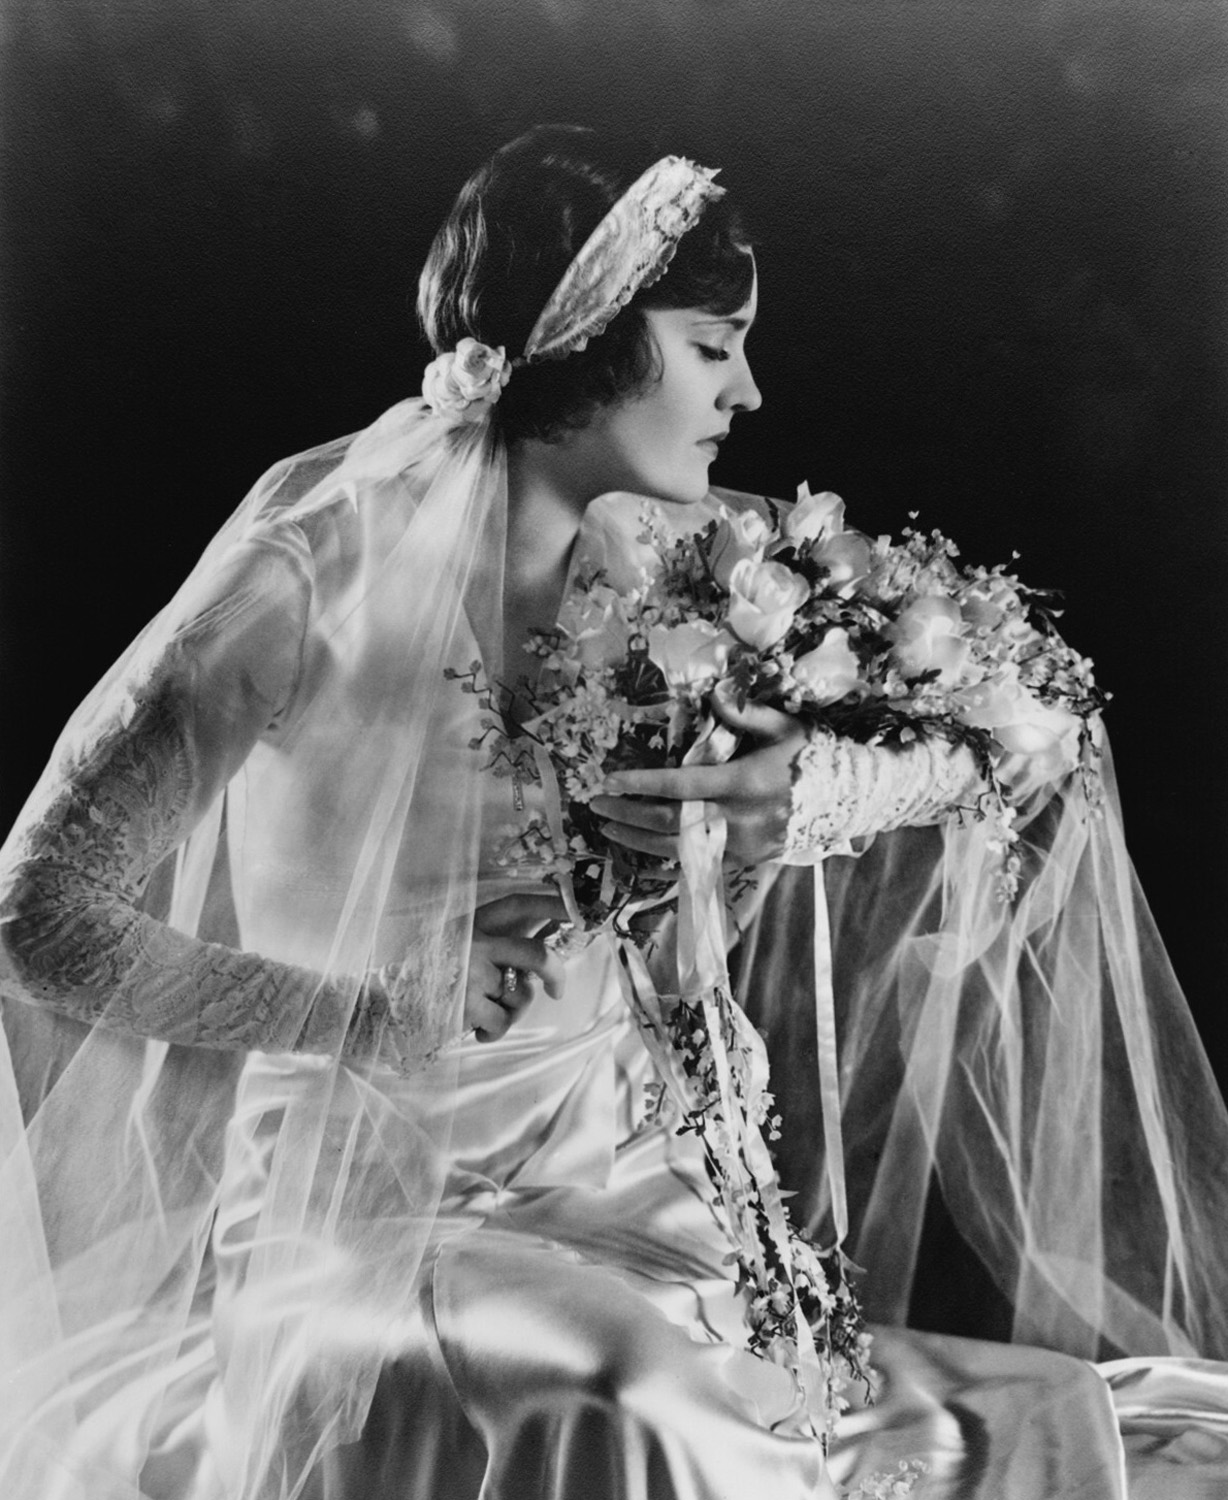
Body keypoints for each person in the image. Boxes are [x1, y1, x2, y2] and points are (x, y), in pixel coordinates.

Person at [2, 123, 1227, 1500]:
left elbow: (1039, 726)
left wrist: (807, 792)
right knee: (632, 1407)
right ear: (586, 342)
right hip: (366, 1210)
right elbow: (36, 913)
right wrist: (367, 1013)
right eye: (712, 346)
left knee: (1041, 1418)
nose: (749, 392)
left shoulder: (704, 563)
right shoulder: (307, 585)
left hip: (644, 1188)